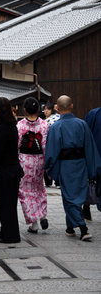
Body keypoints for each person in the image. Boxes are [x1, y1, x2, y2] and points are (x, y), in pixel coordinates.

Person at [45, 96, 101, 241]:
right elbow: (90, 147)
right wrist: (92, 168)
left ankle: (80, 228)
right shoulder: (82, 124)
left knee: (70, 198)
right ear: (71, 106)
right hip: (81, 164)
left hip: (65, 165)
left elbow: (51, 152)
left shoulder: (56, 127)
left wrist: (51, 169)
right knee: (75, 197)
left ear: (57, 108)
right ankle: (75, 227)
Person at [0, 97, 23, 243]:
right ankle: (6, 232)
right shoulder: (8, 125)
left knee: (6, 205)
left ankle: (10, 235)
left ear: (1, 110)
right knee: (7, 204)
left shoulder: (3, 128)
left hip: (6, 172)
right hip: (11, 170)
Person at [17, 97, 49, 234]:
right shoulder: (44, 125)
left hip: (24, 161)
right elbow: (45, 145)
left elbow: (17, 146)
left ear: (24, 110)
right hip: (39, 161)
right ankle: (43, 215)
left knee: (25, 192)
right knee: (39, 188)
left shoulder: (20, 126)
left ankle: (34, 223)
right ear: (38, 109)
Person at [83, 106, 101, 221]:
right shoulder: (94, 113)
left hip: (94, 153)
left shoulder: (93, 113)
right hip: (95, 152)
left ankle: (86, 206)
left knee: (92, 181)